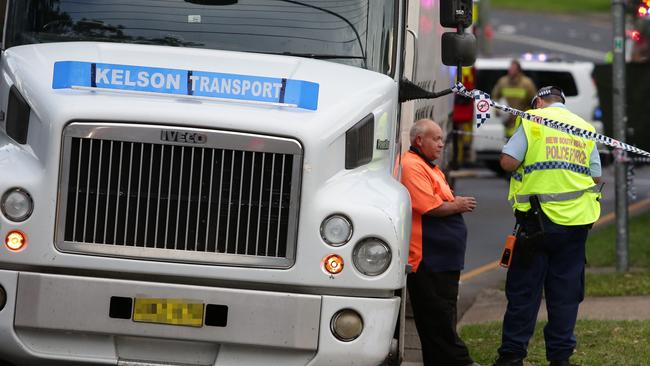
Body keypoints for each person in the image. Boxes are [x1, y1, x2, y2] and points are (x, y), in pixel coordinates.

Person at [494, 86, 602, 366]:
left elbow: (508, 162)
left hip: (536, 224)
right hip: (576, 224)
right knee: (565, 295)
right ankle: (560, 357)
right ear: (563, 103)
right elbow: (595, 176)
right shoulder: (584, 127)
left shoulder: (533, 119)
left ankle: (512, 356)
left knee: (524, 291)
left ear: (539, 102)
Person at [400, 119, 480, 366]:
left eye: (442, 139)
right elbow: (429, 206)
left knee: (442, 314)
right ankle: (460, 362)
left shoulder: (430, 167)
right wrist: (457, 205)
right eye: (436, 139)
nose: (441, 144)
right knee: (437, 316)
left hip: (443, 259)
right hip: (428, 257)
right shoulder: (411, 165)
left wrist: (453, 204)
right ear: (419, 140)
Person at [491, 59, 537, 138]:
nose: (510, 71)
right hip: (508, 123)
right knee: (509, 145)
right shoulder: (503, 82)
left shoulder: (527, 84)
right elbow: (495, 97)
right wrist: (497, 110)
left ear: (519, 70)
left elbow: (534, 102)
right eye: (510, 68)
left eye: (513, 69)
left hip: (523, 122)